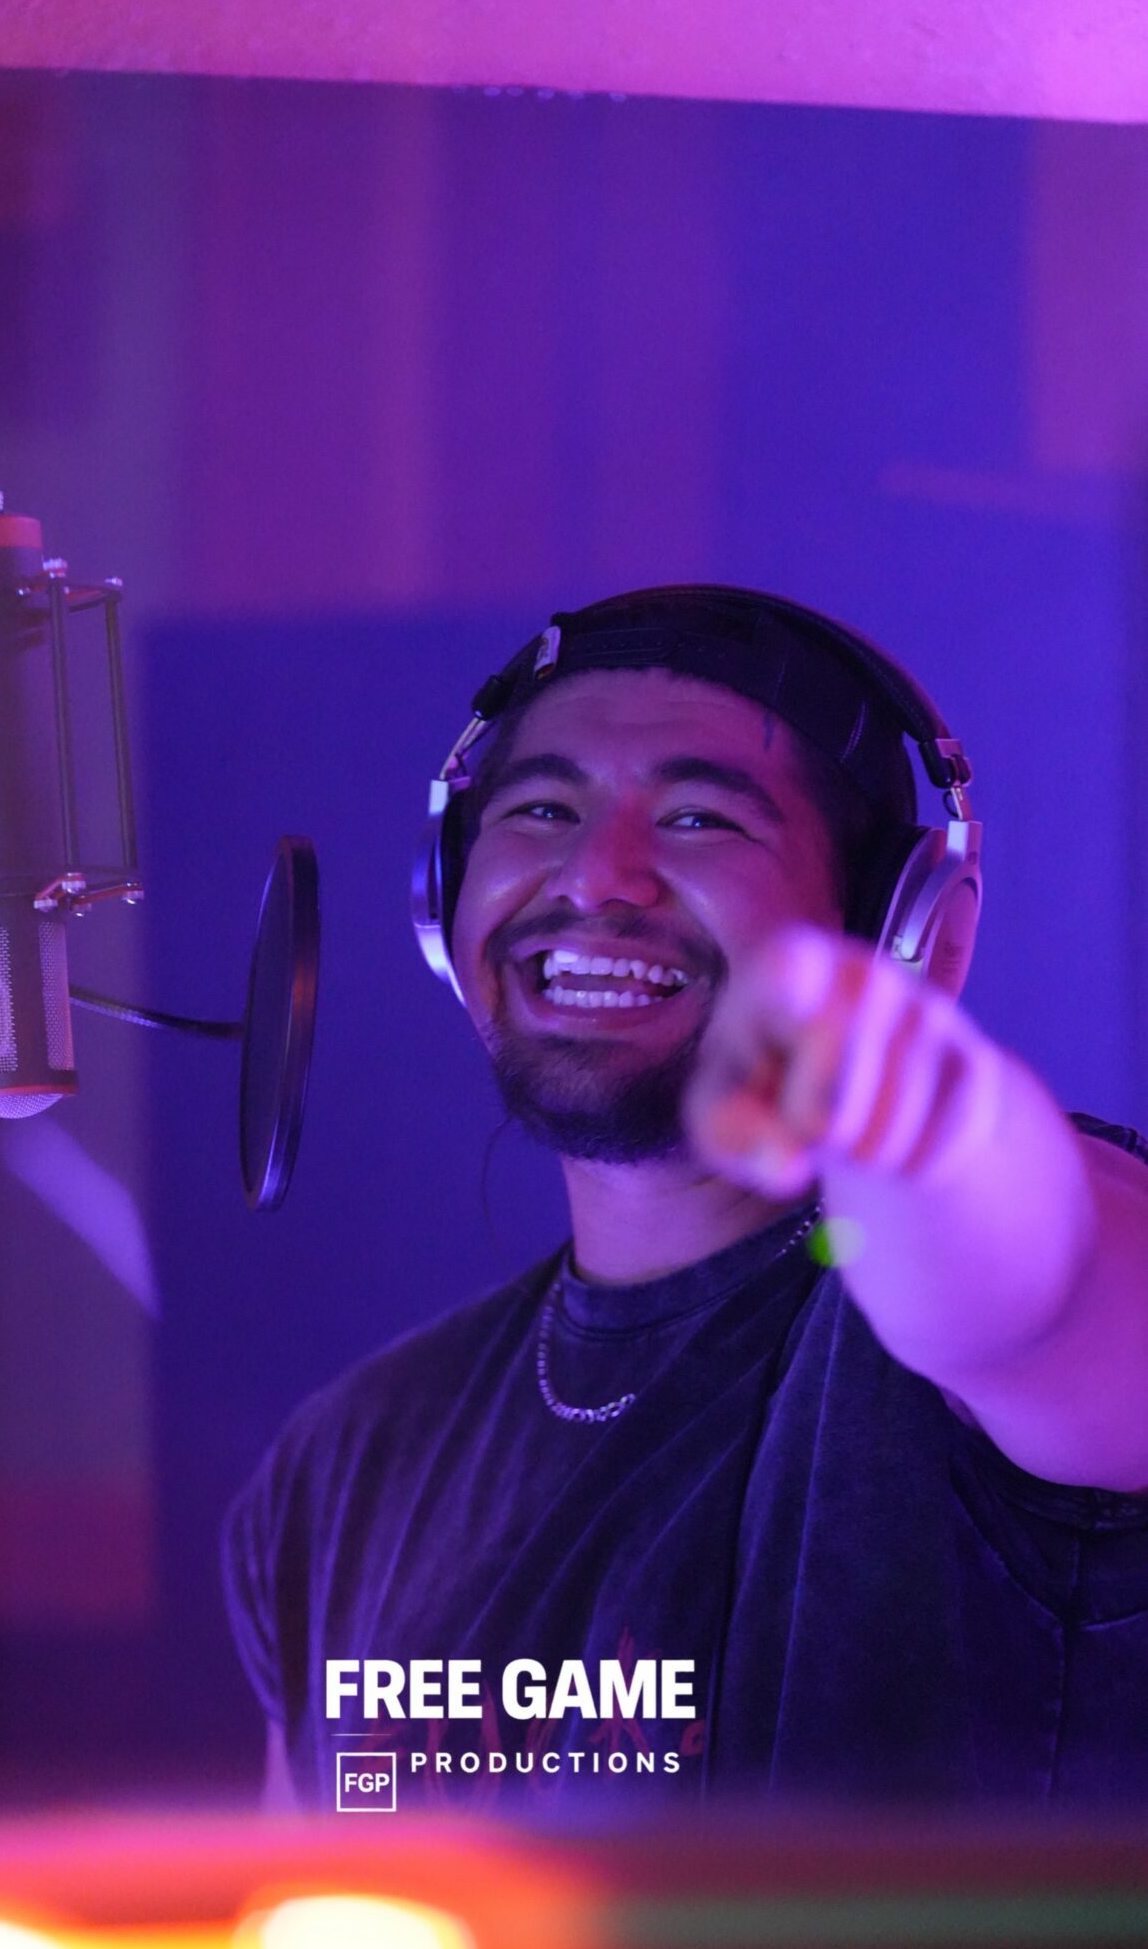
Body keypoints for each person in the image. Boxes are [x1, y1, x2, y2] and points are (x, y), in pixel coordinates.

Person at [224, 584, 1148, 1817]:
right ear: (441, 903)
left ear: (904, 931)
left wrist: (905, 1097)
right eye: (542, 807)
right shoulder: (343, 1465)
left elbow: (1042, 1278)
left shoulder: (971, 1298)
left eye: (702, 819)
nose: (597, 877)